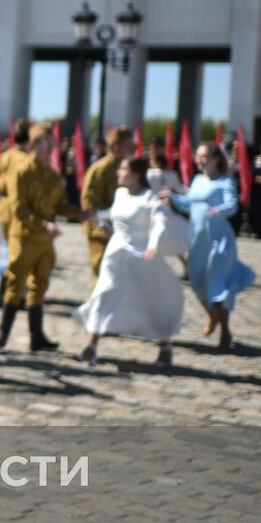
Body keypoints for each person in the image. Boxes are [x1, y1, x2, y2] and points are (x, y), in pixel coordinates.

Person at [74, 156, 189, 369]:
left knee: (151, 302)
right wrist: (95, 216)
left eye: (123, 168)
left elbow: (160, 223)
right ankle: (91, 345)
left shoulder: (150, 198)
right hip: (115, 255)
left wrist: (154, 244)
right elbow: (113, 213)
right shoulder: (119, 193)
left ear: (136, 174)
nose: (119, 171)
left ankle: (165, 347)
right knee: (103, 295)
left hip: (141, 256)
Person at [0, 123, 85, 351]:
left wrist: (79, 213)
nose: (51, 146)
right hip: (24, 237)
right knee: (15, 284)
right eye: (46, 143)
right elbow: (19, 209)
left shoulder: (52, 173)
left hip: (44, 241)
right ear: (33, 144)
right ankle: (3, 333)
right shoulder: (21, 171)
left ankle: (36, 336)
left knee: (40, 285)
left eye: (52, 143)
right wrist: (43, 225)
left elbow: (59, 204)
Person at [163, 143, 255, 351]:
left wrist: (218, 210)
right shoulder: (197, 180)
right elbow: (189, 203)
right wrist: (172, 198)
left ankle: (225, 331)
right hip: (198, 240)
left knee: (219, 286)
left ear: (216, 159)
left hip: (218, 240)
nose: (200, 159)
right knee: (197, 283)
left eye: (204, 156)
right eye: (198, 155)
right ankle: (213, 315)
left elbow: (232, 205)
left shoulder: (225, 180)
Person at [0, 118, 32, 308]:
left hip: (4, 209)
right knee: (19, 253)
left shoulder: (4, 156)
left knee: (9, 250)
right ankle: (12, 294)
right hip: (21, 210)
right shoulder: (27, 159)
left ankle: (6, 293)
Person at [81, 126, 135, 277]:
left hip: (121, 231)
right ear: (116, 147)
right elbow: (89, 201)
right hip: (101, 232)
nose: (132, 150)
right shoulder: (100, 169)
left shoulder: (128, 168)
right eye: (128, 146)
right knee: (103, 273)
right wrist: (104, 226)